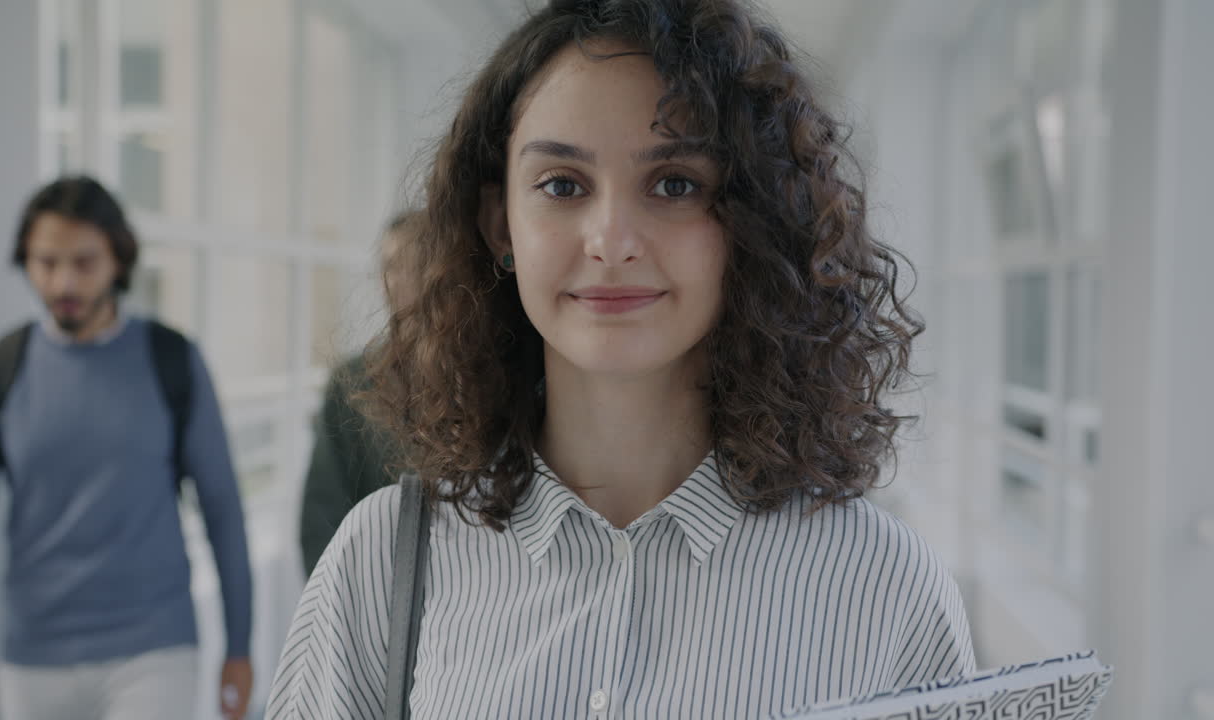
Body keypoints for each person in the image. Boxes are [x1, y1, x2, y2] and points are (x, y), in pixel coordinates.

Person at [267, 0, 975, 717]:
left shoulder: (885, 585)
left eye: (674, 184)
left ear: (756, 223)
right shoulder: (383, 559)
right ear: (499, 225)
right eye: (563, 186)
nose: (610, 239)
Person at [0, 176, 254, 720]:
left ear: (118, 260)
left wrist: (240, 647)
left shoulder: (172, 360)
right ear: (26, 261)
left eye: (84, 263)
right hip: (32, 656)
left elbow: (222, 505)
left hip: (155, 648)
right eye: (46, 262)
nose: (63, 282)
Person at [298, 210, 422, 574]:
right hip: (369, 587)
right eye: (389, 265)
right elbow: (321, 510)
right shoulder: (353, 381)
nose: (396, 279)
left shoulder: (478, 378)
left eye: (413, 263)